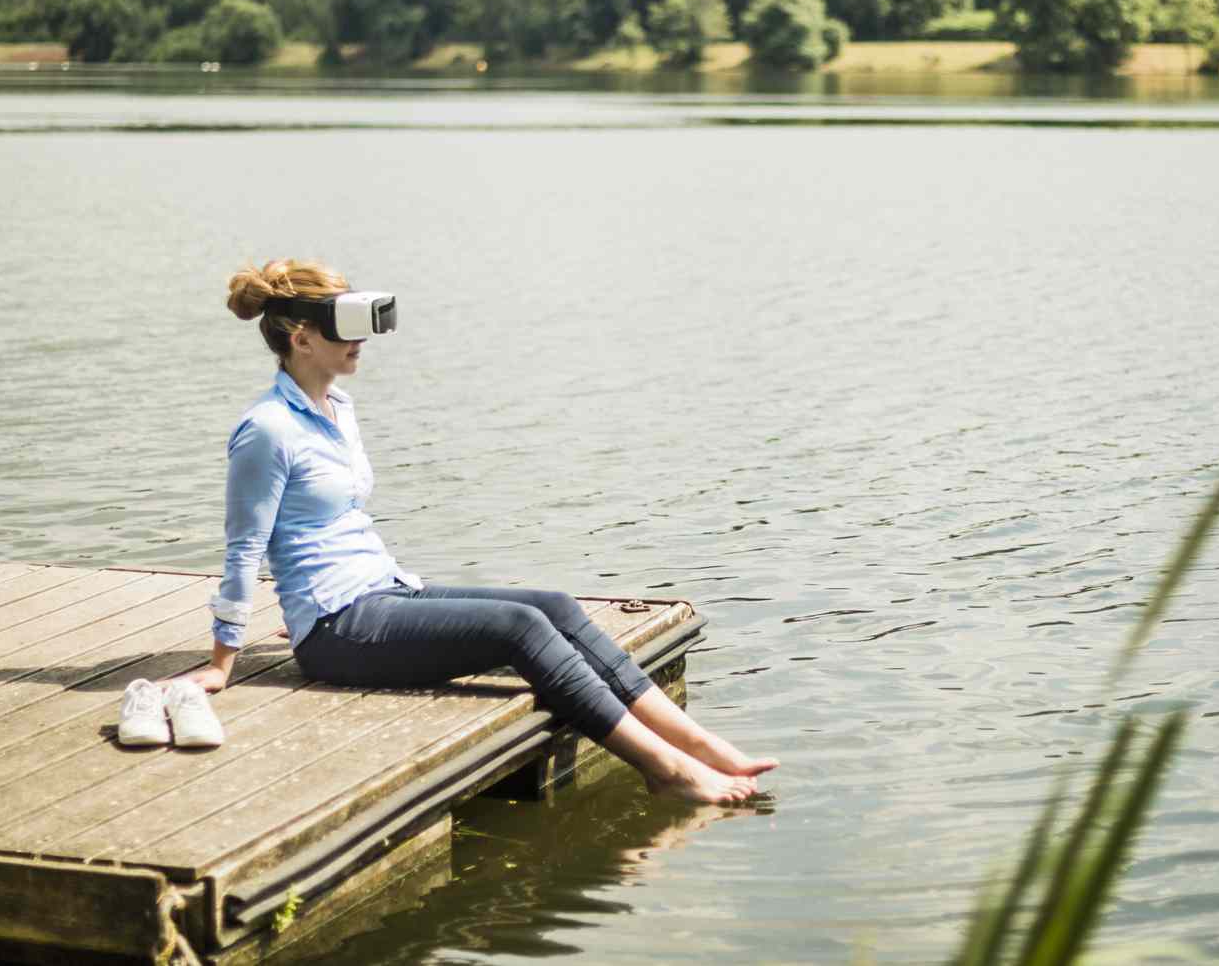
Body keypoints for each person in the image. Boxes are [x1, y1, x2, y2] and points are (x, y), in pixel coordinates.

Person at [179, 259, 776, 806]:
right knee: (518, 629)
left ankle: (700, 745)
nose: (360, 340)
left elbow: (332, 524)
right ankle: (663, 769)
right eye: (345, 326)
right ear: (301, 337)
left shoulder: (339, 409)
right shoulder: (268, 430)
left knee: (555, 606)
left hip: (382, 591)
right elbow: (244, 549)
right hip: (338, 630)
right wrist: (224, 658)